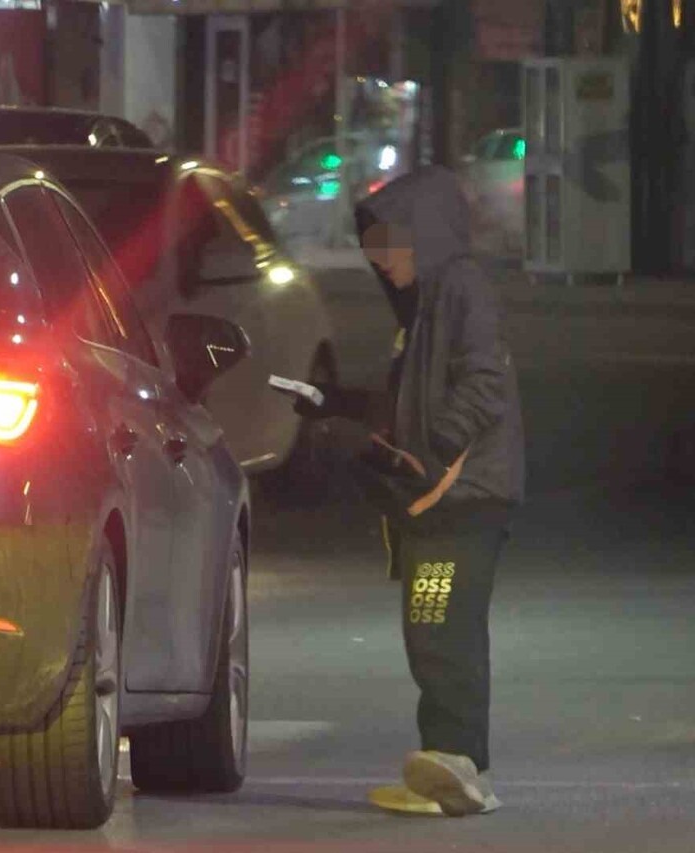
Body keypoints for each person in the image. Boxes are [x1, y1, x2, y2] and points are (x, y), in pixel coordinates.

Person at [296, 165, 525, 816]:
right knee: (432, 627)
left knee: (440, 628)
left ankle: (458, 763)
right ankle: (449, 764)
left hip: (462, 498)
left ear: (422, 235)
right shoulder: (423, 309)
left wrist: (437, 447)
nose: (379, 259)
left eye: (387, 244)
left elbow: (484, 380)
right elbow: (404, 408)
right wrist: (335, 407)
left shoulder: (461, 289)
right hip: (440, 500)